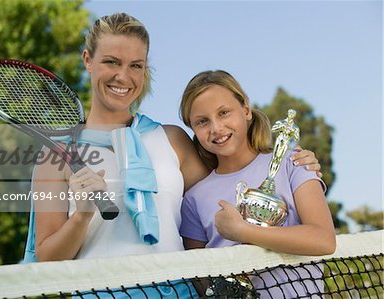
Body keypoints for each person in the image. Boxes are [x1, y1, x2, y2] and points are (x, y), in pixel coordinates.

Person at [24, 13, 322, 297]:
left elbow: (221, 194)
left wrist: (287, 166)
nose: (123, 76)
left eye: (136, 65)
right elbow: (48, 261)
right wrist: (82, 217)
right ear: (88, 60)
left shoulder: (172, 140)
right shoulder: (56, 156)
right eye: (111, 62)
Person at [178, 70, 336, 298]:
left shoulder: (293, 162)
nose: (216, 128)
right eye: (202, 121)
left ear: (245, 110)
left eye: (224, 113)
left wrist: (243, 231)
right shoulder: (193, 199)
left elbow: (323, 240)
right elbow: (203, 284)